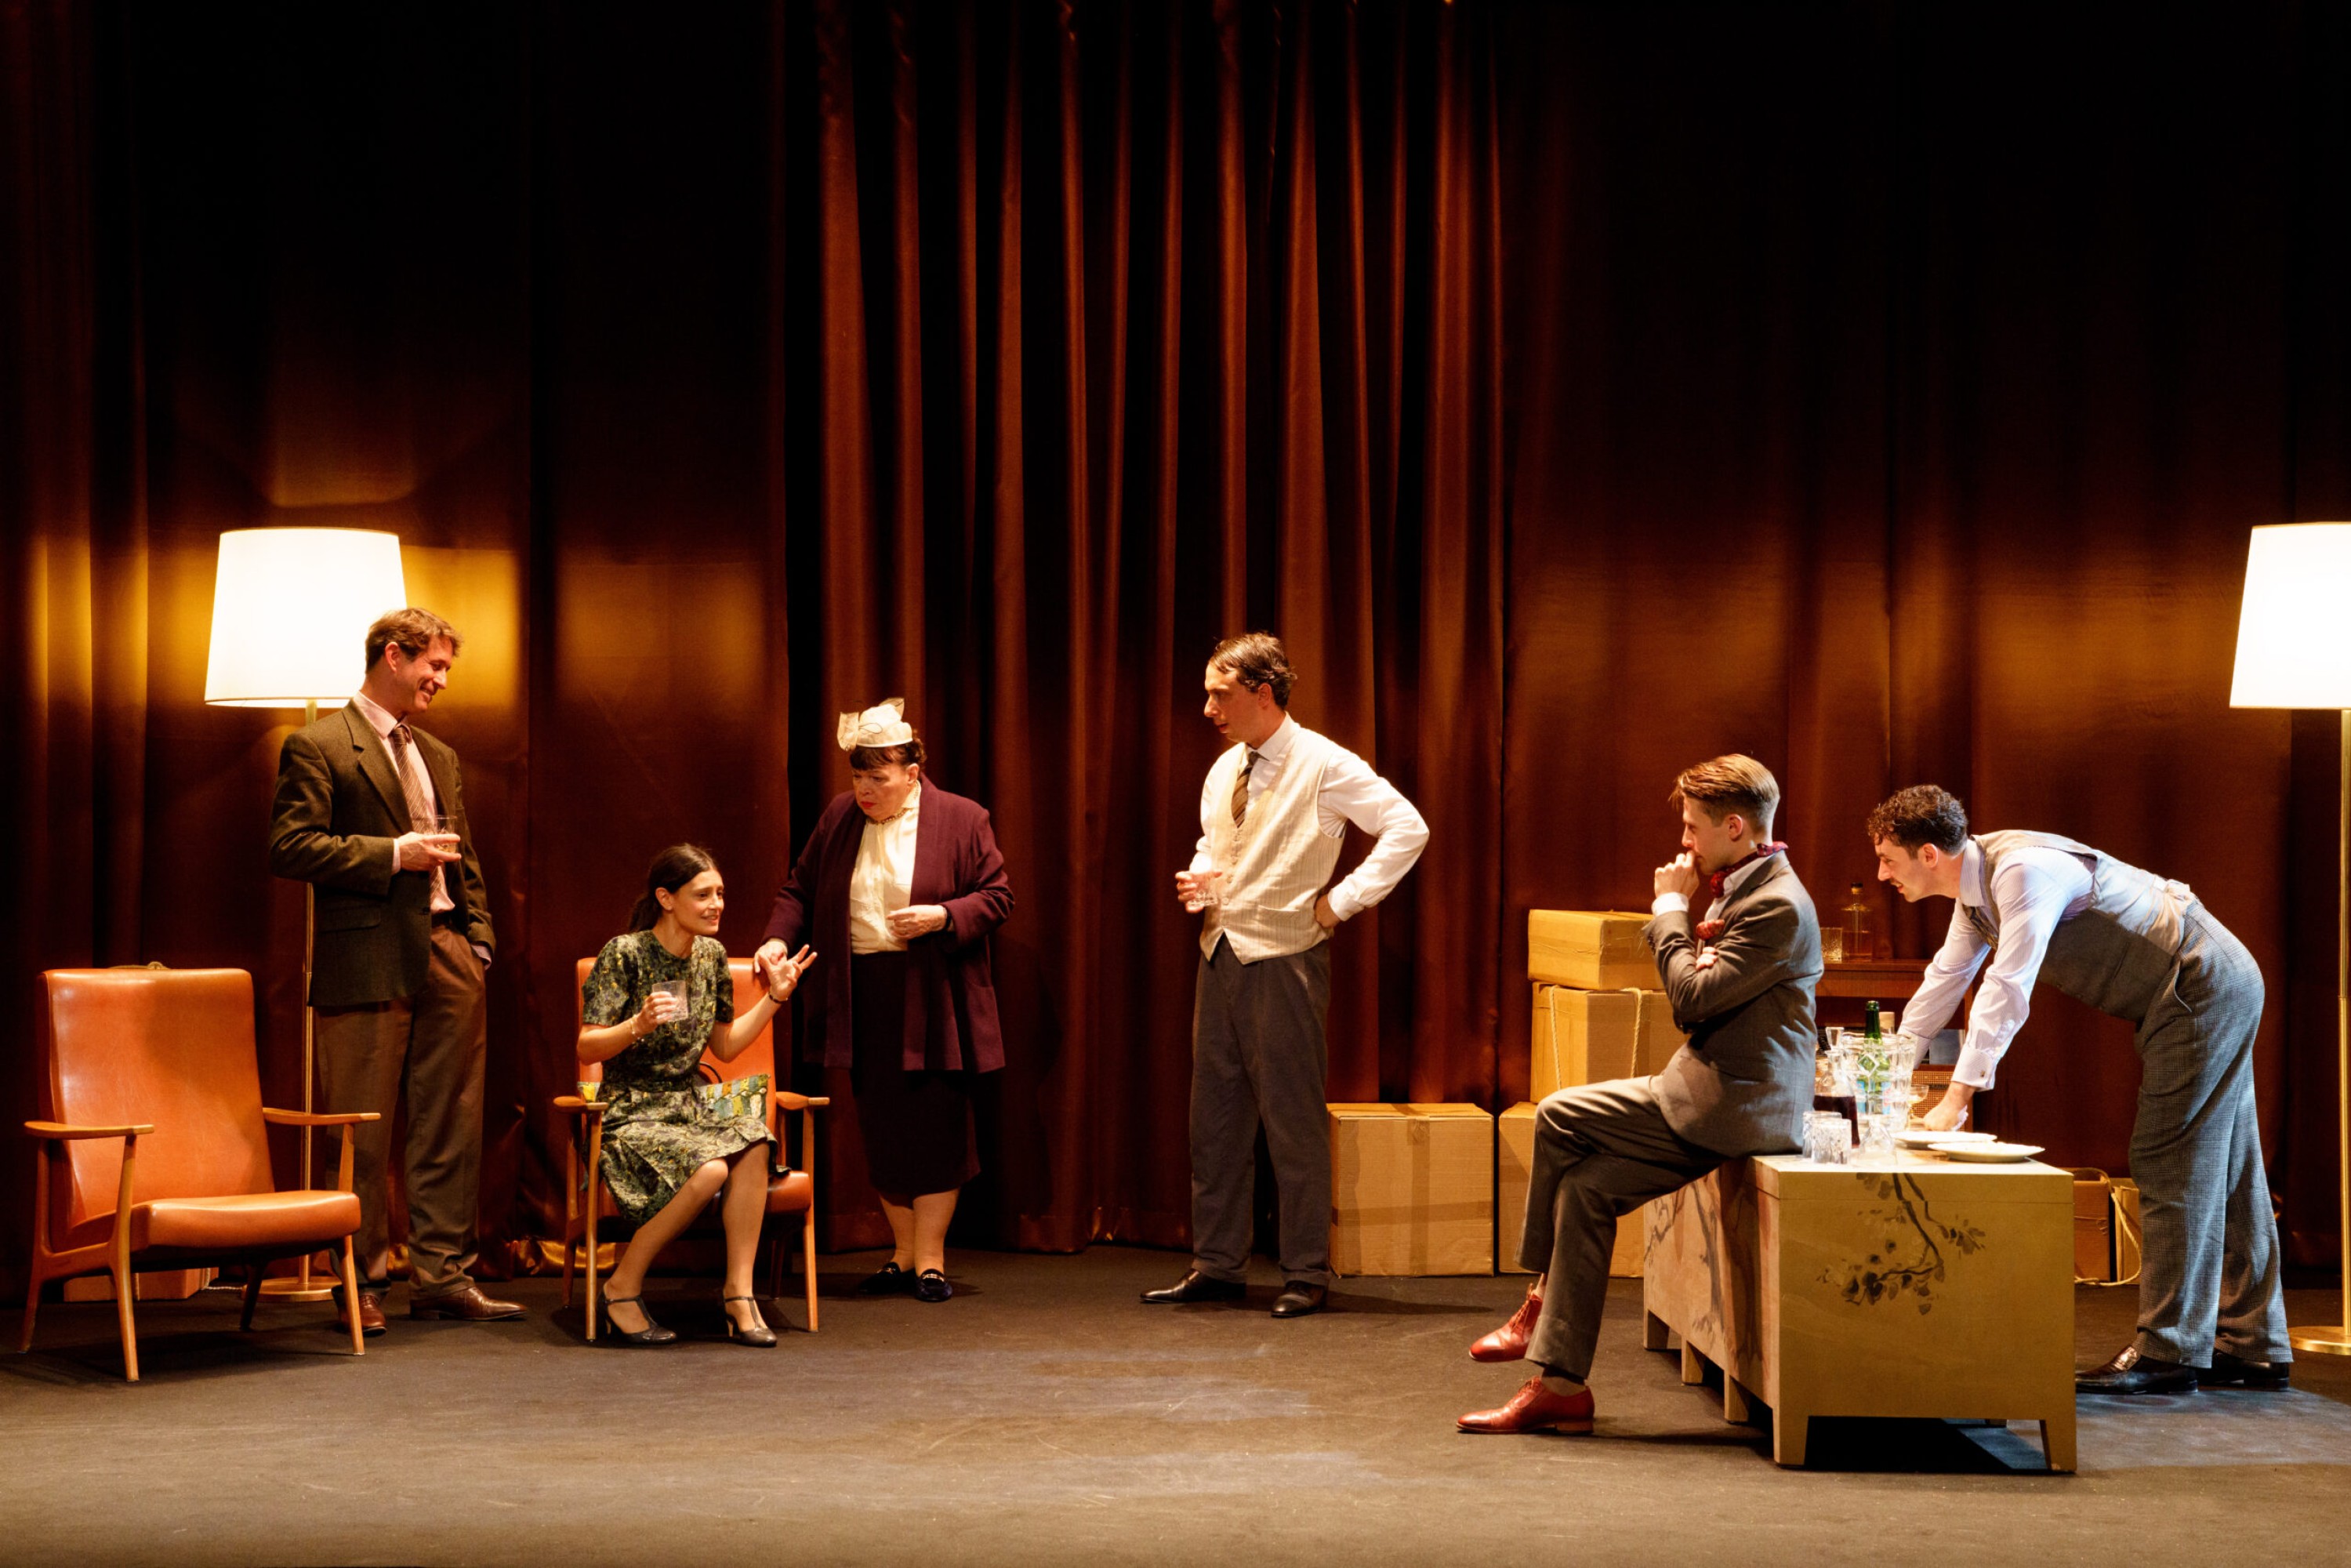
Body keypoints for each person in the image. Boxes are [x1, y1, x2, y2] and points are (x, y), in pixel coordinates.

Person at [1866, 785, 2292, 1396]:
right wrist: (1888, 1070)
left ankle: (2169, 1351)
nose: (1881, 874)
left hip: (2200, 984)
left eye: (1887, 859)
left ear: (1928, 854)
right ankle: (2254, 1344)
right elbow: (1945, 980)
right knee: (2230, 1164)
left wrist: (1956, 1098)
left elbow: (2007, 987)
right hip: (2194, 990)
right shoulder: (1975, 893)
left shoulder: (2021, 871)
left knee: (2168, 1158)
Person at [1460, 755, 1819, 1434]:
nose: (1683, 841)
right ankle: (1561, 1388)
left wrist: (1668, 910)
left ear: (1734, 827)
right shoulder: (1748, 883)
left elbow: (1691, 1000)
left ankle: (1538, 1299)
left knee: (1559, 1115)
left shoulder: (1776, 904)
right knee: (1585, 1191)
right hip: (1708, 1088)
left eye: (1692, 827)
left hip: (1738, 1105)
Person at [1142, 633, 1429, 1320]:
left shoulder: (1325, 764)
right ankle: (1218, 1264)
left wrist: (1341, 902)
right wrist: (1203, 877)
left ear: (1262, 694)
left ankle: (1304, 1271)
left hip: (1285, 959)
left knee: (1292, 1122)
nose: (1208, 708)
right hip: (1221, 951)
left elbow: (1406, 828)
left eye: (1220, 694)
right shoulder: (1226, 768)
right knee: (1214, 1121)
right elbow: (1216, 840)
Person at [267, 608, 519, 1334]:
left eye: (445, 669)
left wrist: (478, 940)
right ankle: (362, 1281)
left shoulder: (438, 754)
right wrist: (390, 855)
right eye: (434, 666)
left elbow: (466, 857)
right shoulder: (319, 745)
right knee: (363, 1132)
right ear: (393, 656)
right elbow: (290, 846)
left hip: (449, 954)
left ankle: (443, 1277)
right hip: (366, 955)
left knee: (451, 1123)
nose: (441, 680)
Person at [755, 699, 1012, 1304]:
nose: (865, 790)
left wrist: (942, 915)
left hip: (932, 989)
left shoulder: (962, 817)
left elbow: (996, 896)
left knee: (938, 1127)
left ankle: (931, 1261)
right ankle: (901, 1254)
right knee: (881, 1125)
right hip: (862, 990)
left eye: (878, 778)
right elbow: (798, 890)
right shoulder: (839, 816)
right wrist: (775, 938)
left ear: (912, 772)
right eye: (857, 777)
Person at [577, 845, 815, 1346]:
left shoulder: (711, 957)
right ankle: (621, 1287)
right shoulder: (624, 953)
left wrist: (776, 997)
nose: (716, 905)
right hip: (631, 1111)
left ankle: (738, 1294)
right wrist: (637, 1025)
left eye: (720, 894)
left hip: (688, 1108)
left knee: (755, 1140)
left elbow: (724, 1046)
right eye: (703, 895)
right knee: (709, 1169)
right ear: (666, 898)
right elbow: (587, 1045)